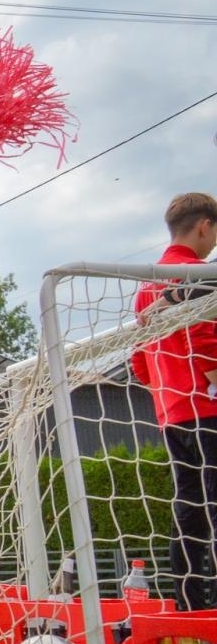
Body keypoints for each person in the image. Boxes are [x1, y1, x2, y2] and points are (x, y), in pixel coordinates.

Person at [132, 191, 217, 612]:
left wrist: (162, 396)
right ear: (205, 225)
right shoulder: (200, 273)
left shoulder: (146, 284)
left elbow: (137, 355)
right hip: (208, 404)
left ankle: (188, 608)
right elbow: (203, 335)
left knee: (189, 509)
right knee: (210, 507)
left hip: (172, 411)